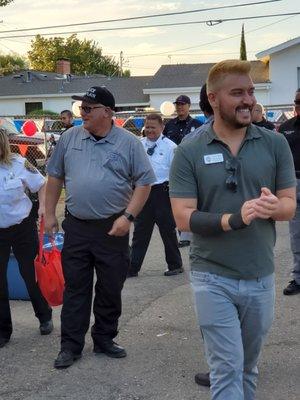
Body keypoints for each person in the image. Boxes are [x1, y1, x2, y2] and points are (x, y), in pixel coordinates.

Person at [169, 60, 296, 399]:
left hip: (260, 275)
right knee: (227, 367)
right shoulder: (189, 151)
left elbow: (289, 205)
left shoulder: (274, 144)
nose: (248, 100)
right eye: (237, 93)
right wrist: (233, 219)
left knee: (248, 367)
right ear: (213, 98)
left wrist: (274, 207)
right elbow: (183, 217)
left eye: (251, 92)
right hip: (212, 276)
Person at [45, 86, 155, 369]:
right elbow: (54, 177)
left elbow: (144, 182)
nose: (82, 113)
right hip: (78, 227)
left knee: (110, 288)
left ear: (108, 112)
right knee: (76, 289)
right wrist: (47, 213)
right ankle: (70, 346)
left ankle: (104, 339)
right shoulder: (69, 138)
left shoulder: (129, 143)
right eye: (82, 108)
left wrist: (128, 217)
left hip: (112, 228)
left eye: (88, 108)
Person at [0, 128, 53, 349]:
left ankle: (44, 315)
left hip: (22, 227)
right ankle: (3, 330)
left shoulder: (19, 163)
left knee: (30, 274)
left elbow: (42, 184)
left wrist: (42, 207)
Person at [128, 114, 183, 278]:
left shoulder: (170, 147)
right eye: (148, 127)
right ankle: (132, 267)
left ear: (162, 128)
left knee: (168, 230)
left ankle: (175, 264)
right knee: (140, 232)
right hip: (142, 191)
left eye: (153, 127)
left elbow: (176, 173)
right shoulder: (139, 145)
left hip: (162, 192)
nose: (150, 130)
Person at [163, 95, 202, 248]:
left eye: (182, 104)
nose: (179, 107)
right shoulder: (169, 125)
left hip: (193, 166)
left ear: (188, 106)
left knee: (193, 198)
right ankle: (182, 232)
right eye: (177, 105)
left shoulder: (197, 125)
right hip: (174, 167)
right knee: (176, 199)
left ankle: (191, 232)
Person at [278, 89, 300, 295]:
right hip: (293, 183)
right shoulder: (285, 129)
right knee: (296, 235)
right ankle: (298, 277)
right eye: (297, 102)